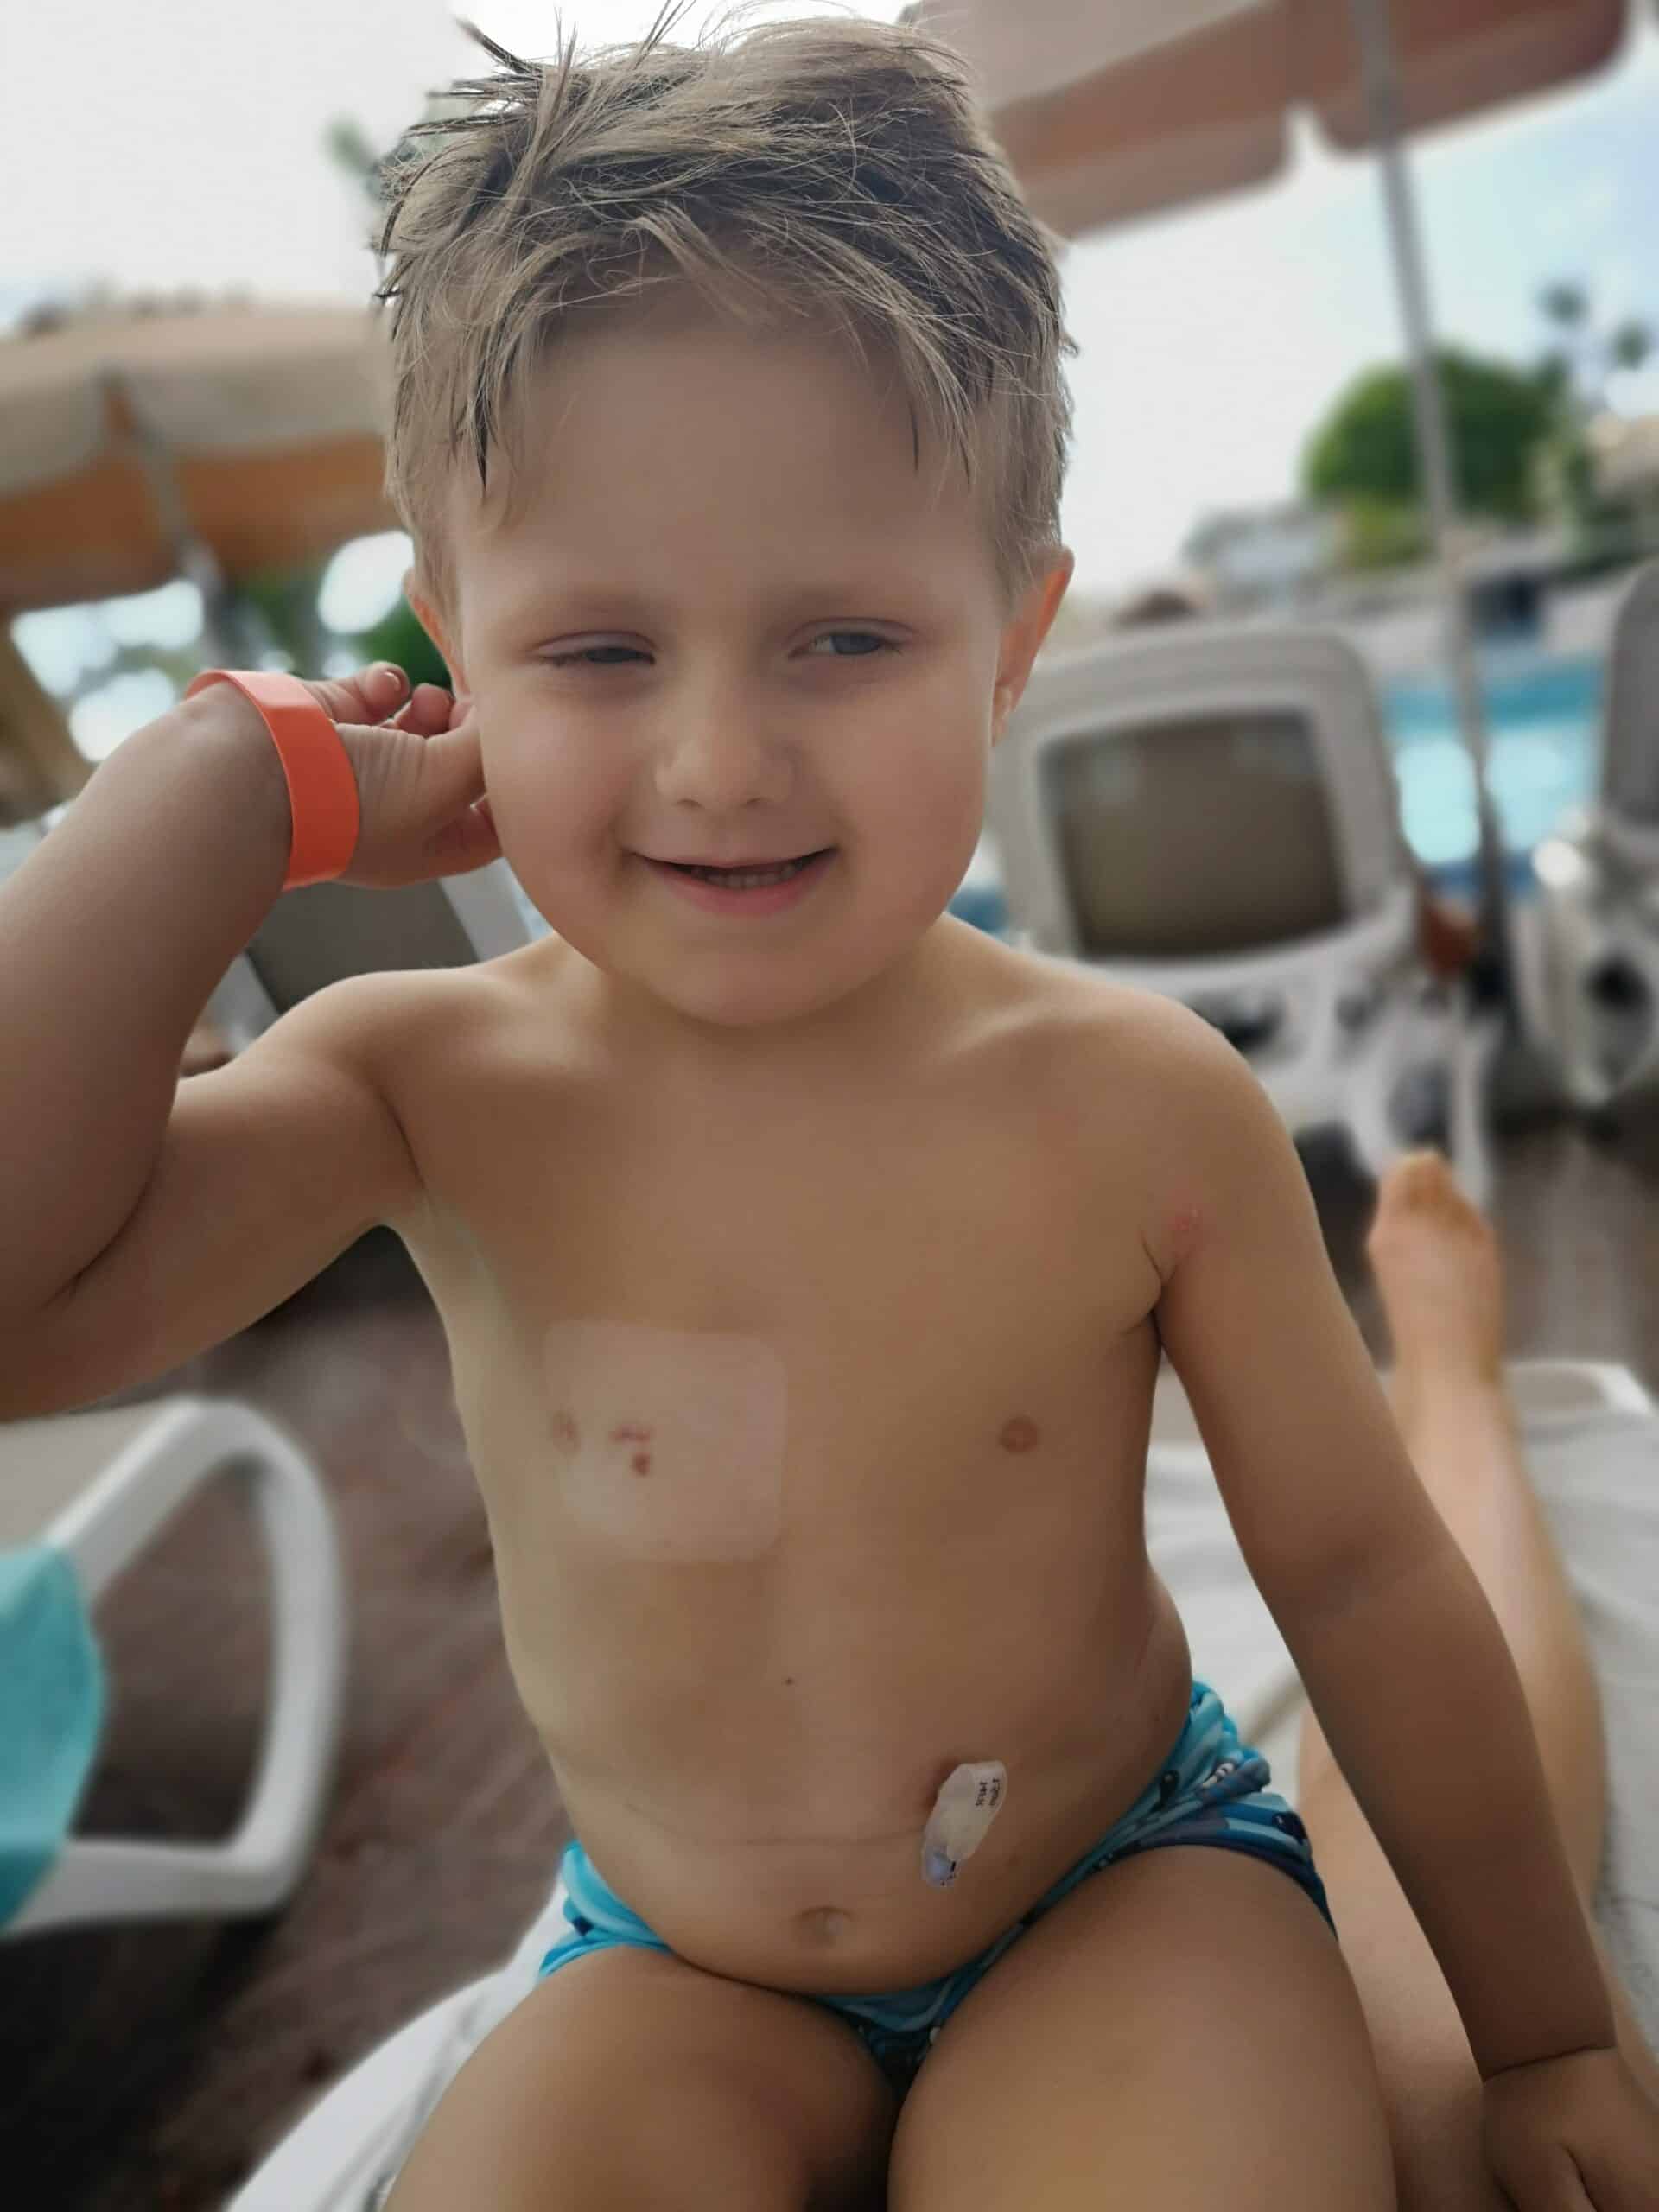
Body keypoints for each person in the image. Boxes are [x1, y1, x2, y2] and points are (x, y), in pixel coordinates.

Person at [2, 9, 1655, 2205]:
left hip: (1116, 1888)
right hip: (679, 1960)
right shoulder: (429, 1086)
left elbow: (1357, 1580)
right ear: (453, 639)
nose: (719, 761)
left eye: (846, 640)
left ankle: (1444, 1349)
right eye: (598, 650)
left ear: (1012, 638)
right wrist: (220, 781)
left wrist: (1547, 2028)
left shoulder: (1133, 1105)